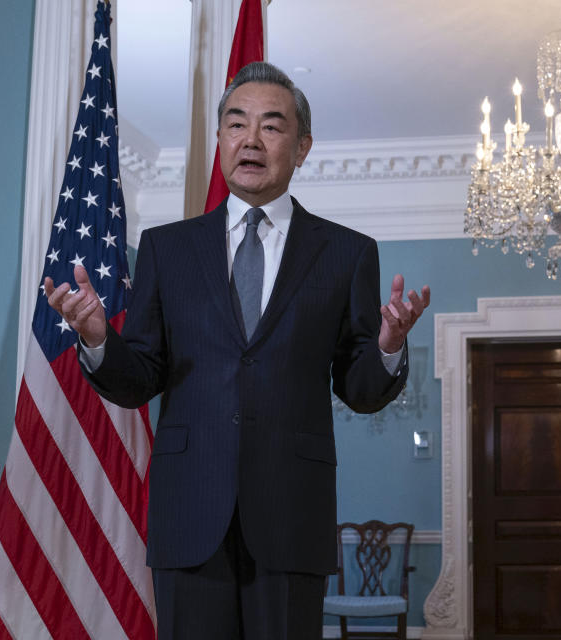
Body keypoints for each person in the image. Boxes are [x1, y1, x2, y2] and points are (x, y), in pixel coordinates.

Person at [44, 61, 430, 639]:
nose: (251, 139)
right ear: (222, 139)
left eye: (271, 127)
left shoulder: (347, 253)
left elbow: (359, 387)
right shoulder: (166, 250)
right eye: (236, 124)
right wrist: (99, 340)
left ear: (301, 148)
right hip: (189, 515)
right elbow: (139, 376)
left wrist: (389, 347)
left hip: (292, 517)